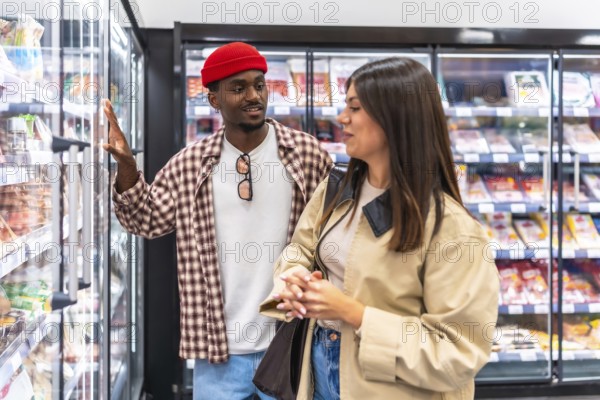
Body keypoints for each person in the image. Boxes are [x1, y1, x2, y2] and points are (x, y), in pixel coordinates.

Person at [102, 42, 333, 400]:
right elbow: (144, 220)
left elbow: (336, 230)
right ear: (213, 100)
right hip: (219, 351)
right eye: (238, 88)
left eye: (258, 84)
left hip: (290, 341)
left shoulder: (306, 154)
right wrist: (128, 166)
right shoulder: (190, 163)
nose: (253, 95)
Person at [260, 57, 499, 400]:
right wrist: (294, 276)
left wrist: (352, 313)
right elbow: (300, 250)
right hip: (318, 371)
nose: (341, 118)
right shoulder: (337, 189)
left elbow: (457, 352)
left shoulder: (452, 229)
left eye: (355, 108)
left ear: (395, 118)